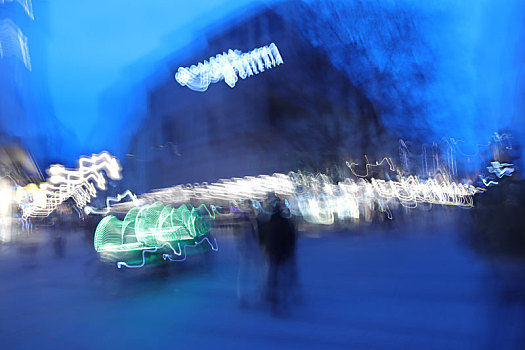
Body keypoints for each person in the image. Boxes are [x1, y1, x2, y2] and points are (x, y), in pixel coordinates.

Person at [258, 194, 298, 314]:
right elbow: (291, 238)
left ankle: (272, 296)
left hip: (273, 252)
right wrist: (290, 251)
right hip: (282, 252)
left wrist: (264, 247)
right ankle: (281, 300)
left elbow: (263, 237)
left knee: (274, 275)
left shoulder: (269, 222)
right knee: (282, 276)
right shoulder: (285, 223)